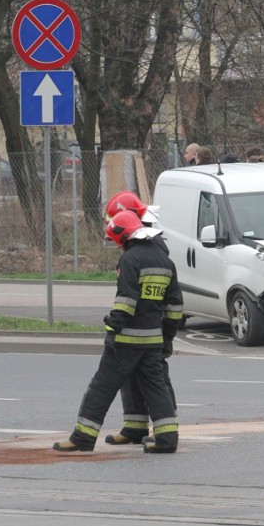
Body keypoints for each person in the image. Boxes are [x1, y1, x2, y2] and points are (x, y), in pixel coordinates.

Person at [53, 211, 183, 454]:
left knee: (101, 387)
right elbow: (174, 306)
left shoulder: (130, 259)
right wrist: (167, 337)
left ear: (123, 235)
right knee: (157, 388)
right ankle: (167, 440)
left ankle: (82, 437)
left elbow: (126, 300)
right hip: (153, 339)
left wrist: (113, 327)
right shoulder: (166, 261)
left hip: (127, 340)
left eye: (115, 239)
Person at [102, 191, 178, 446]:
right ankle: (135, 427)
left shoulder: (150, 241)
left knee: (156, 380)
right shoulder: (141, 235)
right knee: (132, 377)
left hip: (146, 323)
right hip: (138, 323)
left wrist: (165, 335)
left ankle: (165, 430)